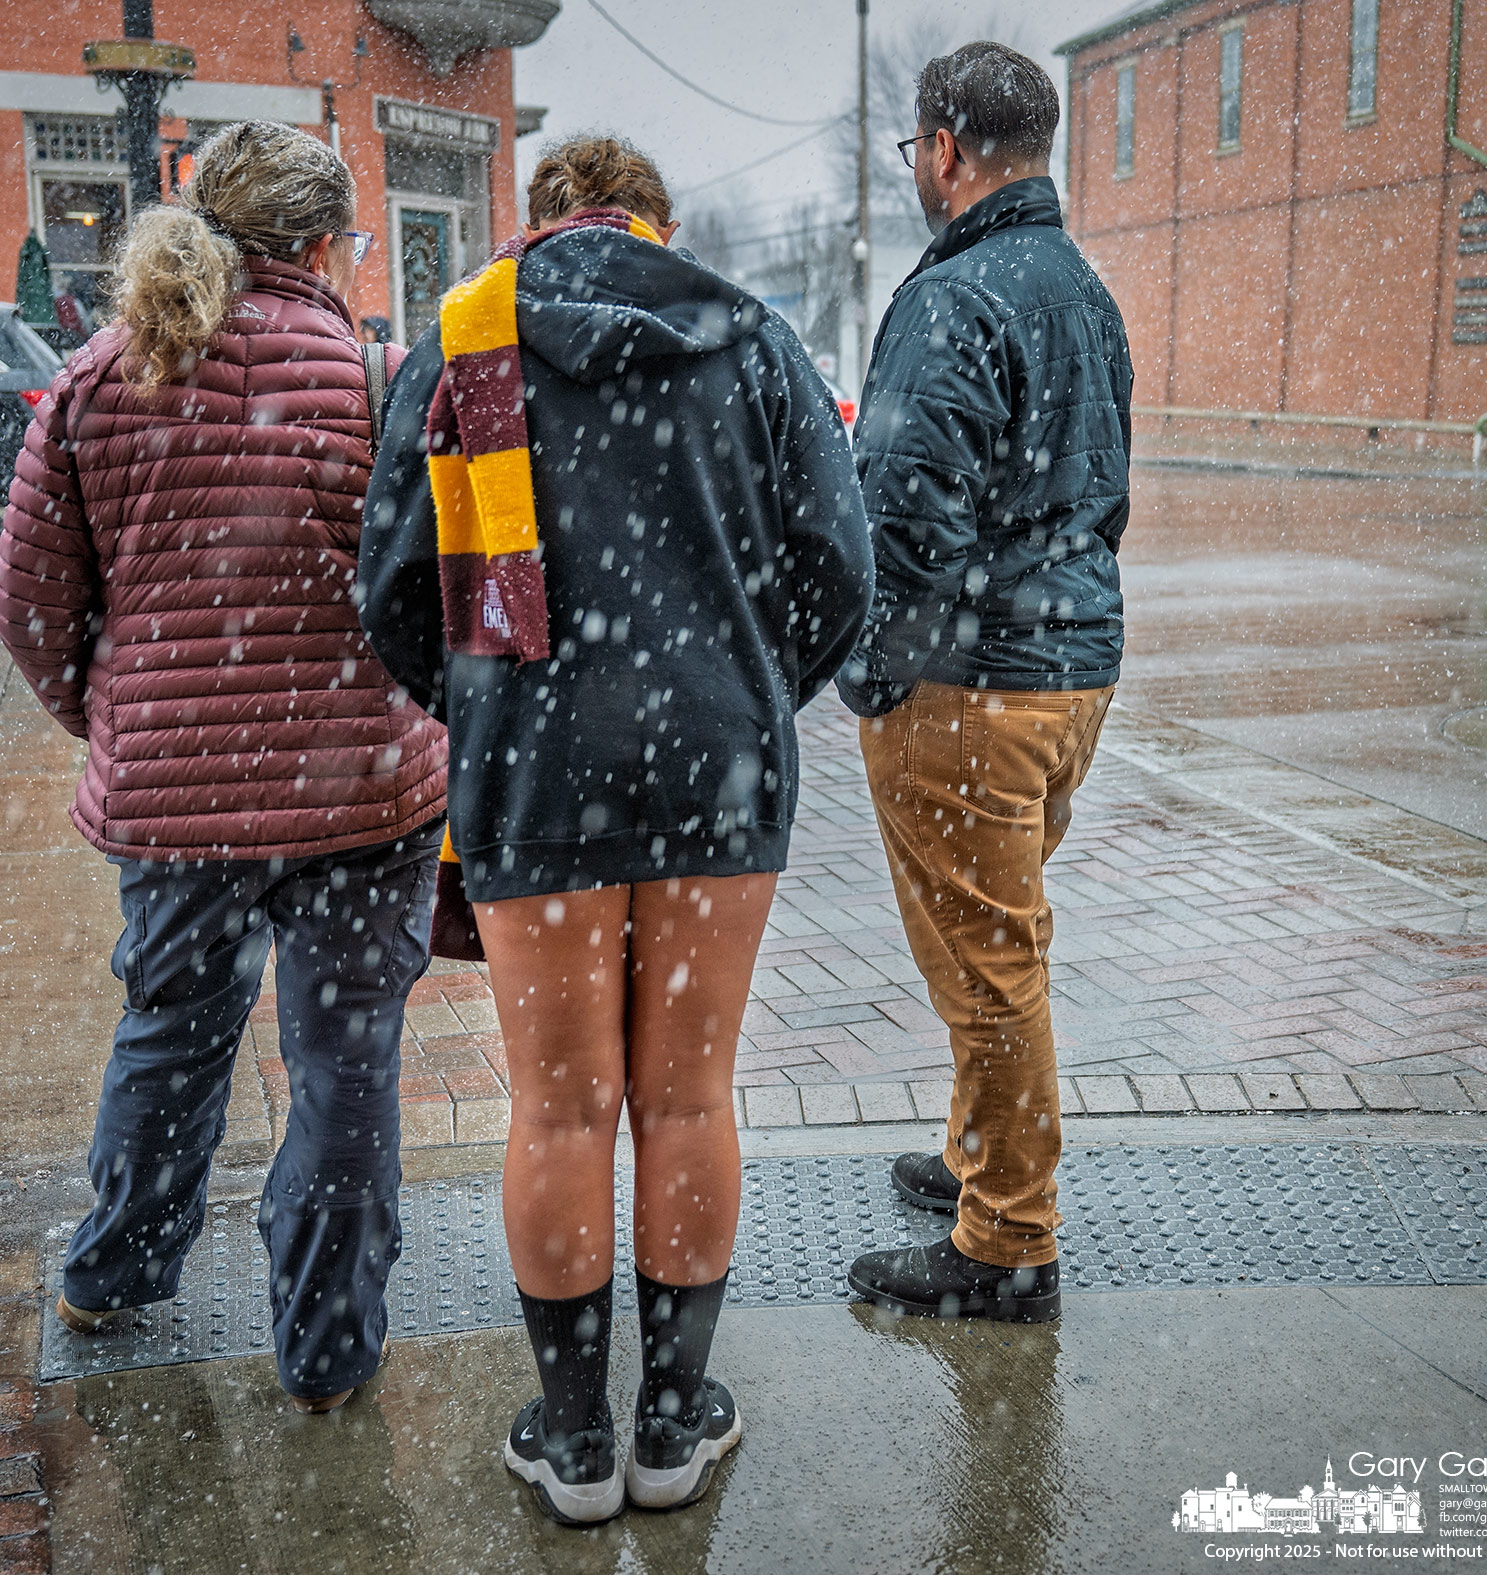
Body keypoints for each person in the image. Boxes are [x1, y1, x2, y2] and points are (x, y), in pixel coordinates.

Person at [359, 136, 870, 1524]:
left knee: (561, 1100)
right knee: (690, 1095)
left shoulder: (463, 342)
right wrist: (751, 687)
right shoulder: (754, 340)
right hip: (718, 754)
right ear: (660, 222)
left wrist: (479, 695)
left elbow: (396, 584)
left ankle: (575, 1435)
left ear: (543, 220)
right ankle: (671, 1418)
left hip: (536, 748)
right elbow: (842, 568)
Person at [0, 121, 446, 1411]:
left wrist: (125, 719)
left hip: (175, 811)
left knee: (171, 1032)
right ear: (318, 246)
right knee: (345, 1063)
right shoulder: (379, 379)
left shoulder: (98, 378)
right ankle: (328, 1349)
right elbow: (439, 598)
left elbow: (29, 605)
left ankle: (116, 1274)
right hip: (362, 800)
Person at [838, 44, 1133, 1324]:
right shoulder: (1081, 288)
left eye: (917, 151)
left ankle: (1009, 1237)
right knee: (997, 942)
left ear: (946, 152)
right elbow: (1105, 491)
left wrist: (869, 675)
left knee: (988, 964)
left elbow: (903, 521)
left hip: (972, 690)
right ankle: (978, 1163)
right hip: (1071, 675)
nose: (919, 172)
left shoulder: (953, 297)